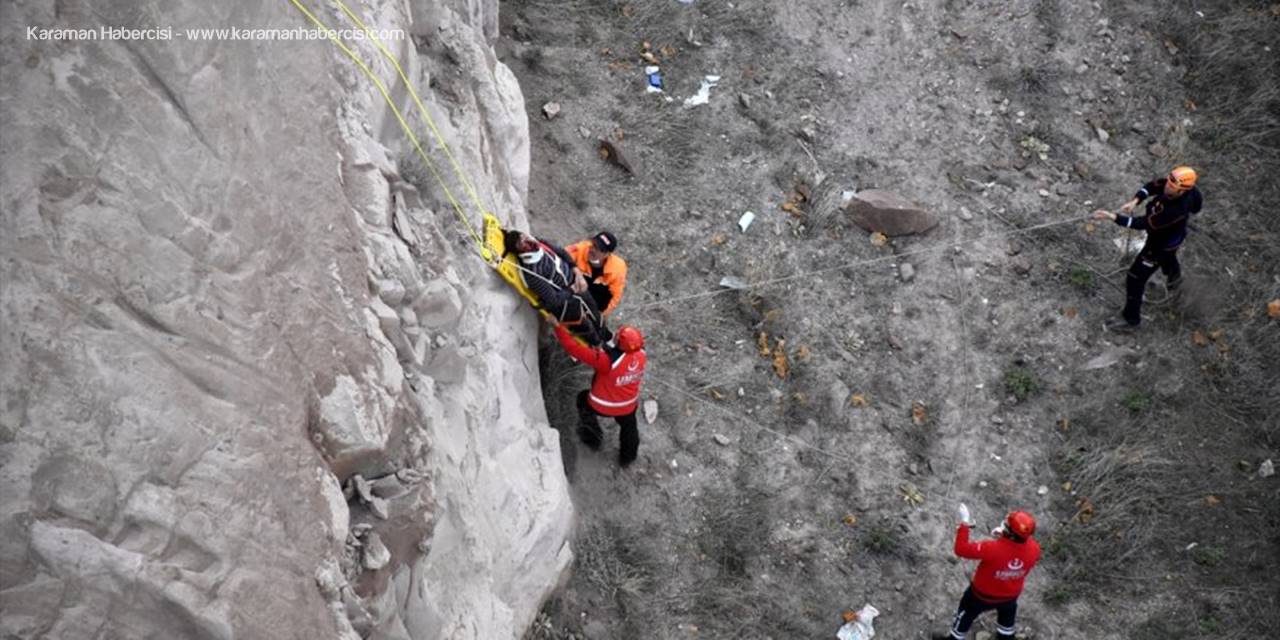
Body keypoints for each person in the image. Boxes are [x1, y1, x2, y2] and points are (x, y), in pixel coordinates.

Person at [1092, 166, 1202, 330]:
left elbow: (1142, 223)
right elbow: (1152, 186)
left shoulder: (1174, 211)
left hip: (1159, 246)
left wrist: (1113, 217)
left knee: (1135, 278)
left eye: (1172, 187)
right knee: (1169, 258)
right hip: (1174, 238)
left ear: (1181, 192)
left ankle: (1131, 320)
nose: (1166, 187)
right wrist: (1136, 200)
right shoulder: (1185, 188)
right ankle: (1176, 282)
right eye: (1169, 182)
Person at [934, 506, 1041, 640]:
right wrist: (1003, 537)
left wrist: (965, 523)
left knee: (965, 615)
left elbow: (961, 549)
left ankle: (954, 638)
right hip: (1010, 597)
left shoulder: (991, 548)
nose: (1003, 524)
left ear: (1011, 533)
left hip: (980, 596)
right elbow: (1016, 552)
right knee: (1007, 625)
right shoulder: (1035, 549)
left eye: (1006, 525)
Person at [552, 322, 647, 468]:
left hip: (601, 405)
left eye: (618, 335)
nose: (615, 334)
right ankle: (628, 457)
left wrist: (558, 326)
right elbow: (618, 352)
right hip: (628, 405)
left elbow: (574, 348)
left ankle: (592, 438)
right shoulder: (641, 355)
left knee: (582, 400)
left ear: (620, 344)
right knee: (629, 427)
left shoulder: (606, 361)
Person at [504, 229, 609, 345]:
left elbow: (562, 253)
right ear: (519, 252)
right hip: (566, 305)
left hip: (575, 282)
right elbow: (553, 301)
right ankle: (600, 347)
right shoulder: (532, 273)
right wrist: (573, 289)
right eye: (520, 243)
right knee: (588, 329)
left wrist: (577, 273)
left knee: (595, 311)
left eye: (523, 236)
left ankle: (607, 337)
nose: (525, 240)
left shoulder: (540, 243)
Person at [566, 231, 628, 317]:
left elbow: (615, 297)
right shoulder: (580, 248)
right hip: (571, 289)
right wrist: (576, 271)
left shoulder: (617, 269)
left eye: (599, 249)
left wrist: (599, 317)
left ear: (607, 254)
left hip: (594, 299)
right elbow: (562, 255)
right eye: (593, 244)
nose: (592, 250)